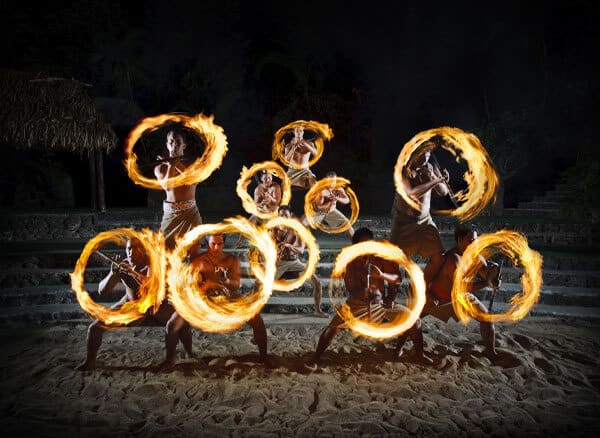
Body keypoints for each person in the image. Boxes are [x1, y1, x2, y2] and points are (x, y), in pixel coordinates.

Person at [309, 227, 432, 366]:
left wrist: (385, 284)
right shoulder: (350, 263)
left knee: (414, 321)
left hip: (382, 303)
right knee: (333, 328)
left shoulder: (380, 257)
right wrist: (364, 294)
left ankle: (419, 354)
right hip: (357, 303)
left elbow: (396, 279)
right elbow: (352, 288)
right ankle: (316, 358)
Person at [160, 234, 274, 370]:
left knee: (257, 319)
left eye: (220, 244)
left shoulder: (232, 260)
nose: (216, 247)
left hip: (229, 299)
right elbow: (194, 288)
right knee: (173, 324)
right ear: (207, 243)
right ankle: (170, 359)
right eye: (213, 244)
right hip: (204, 300)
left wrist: (226, 281)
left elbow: (236, 285)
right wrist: (210, 284)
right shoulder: (199, 262)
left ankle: (263, 356)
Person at [76, 239, 193, 371]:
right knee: (95, 328)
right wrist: (112, 273)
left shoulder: (154, 264)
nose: (131, 252)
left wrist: (133, 273)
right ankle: (90, 362)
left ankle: (178, 357)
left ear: (143, 250)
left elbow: (152, 289)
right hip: (132, 306)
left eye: (135, 248)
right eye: (128, 249)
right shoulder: (123, 265)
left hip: (157, 306)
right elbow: (102, 291)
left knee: (181, 322)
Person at [396, 223, 500, 359]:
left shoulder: (476, 257)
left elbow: (487, 274)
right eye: (471, 241)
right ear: (460, 240)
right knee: (412, 319)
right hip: (437, 296)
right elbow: (461, 286)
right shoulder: (452, 259)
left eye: (475, 240)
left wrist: (494, 274)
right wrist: (426, 294)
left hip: (460, 298)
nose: (474, 244)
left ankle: (490, 352)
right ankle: (399, 349)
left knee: (486, 318)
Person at [389, 140, 452, 285]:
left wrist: (437, 178)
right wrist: (435, 181)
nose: (425, 160)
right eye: (422, 156)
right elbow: (411, 194)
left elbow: (442, 192)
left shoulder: (430, 167)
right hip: (404, 221)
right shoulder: (403, 170)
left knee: (439, 257)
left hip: (425, 221)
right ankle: (390, 296)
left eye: (428, 156)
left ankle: (421, 288)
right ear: (414, 154)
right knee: (394, 261)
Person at [272, 205, 326, 317]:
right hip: (279, 263)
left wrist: (288, 246)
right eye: (281, 215)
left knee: (317, 282)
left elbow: (301, 250)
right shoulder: (274, 229)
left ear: (290, 216)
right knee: (263, 284)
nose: (283, 217)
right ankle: (252, 309)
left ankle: (317, 310)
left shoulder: (297, 230)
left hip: (294, 262)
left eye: (286, 215)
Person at [154, 128, 202, 250]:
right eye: (171, 141)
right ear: (167, 144)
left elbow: (193, 180)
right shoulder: (160, 168)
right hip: (171, 215)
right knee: (166, 252)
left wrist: (175, 163)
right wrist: (171, 165)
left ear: (184, 145)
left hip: (190, 213)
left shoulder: (192, 165)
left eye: (178, 142)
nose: (174, 144)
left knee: (194, 251)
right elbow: (168, 187)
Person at [235, 171, 282, 247]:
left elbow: (277, 202)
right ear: (262, 179)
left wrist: (270, 198)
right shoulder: (258, 189)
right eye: (266, 178)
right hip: (262, 212)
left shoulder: (276, 186)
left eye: (270, 177)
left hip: (273, 212)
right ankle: (239, 242)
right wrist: (263, 203)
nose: (268, 180)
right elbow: (256, 205)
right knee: (248, 223)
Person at [305, 171, 354, 239]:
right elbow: (318, 206)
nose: (331, 183)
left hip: (331, 212)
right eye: (329, 181)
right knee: (301, 225)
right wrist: (330, 202)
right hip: (317, 212)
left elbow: (347, 200)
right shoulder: (321, 189)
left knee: (347, 224)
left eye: (333, 181)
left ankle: (357, 244)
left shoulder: (338, 188)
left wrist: (337, 198)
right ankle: (294, 244)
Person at [283, 125, 318, 190]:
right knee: (284, 186)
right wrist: (293, 148)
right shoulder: (288, 146)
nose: (299, 133)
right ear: (294, 132)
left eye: (301, 131)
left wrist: (305, 144)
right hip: (292, 171)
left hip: (305, 170)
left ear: (303, 132)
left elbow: (316, 154)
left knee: (314, 184)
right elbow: (286, 160)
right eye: (297, 131)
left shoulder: (309, 144)